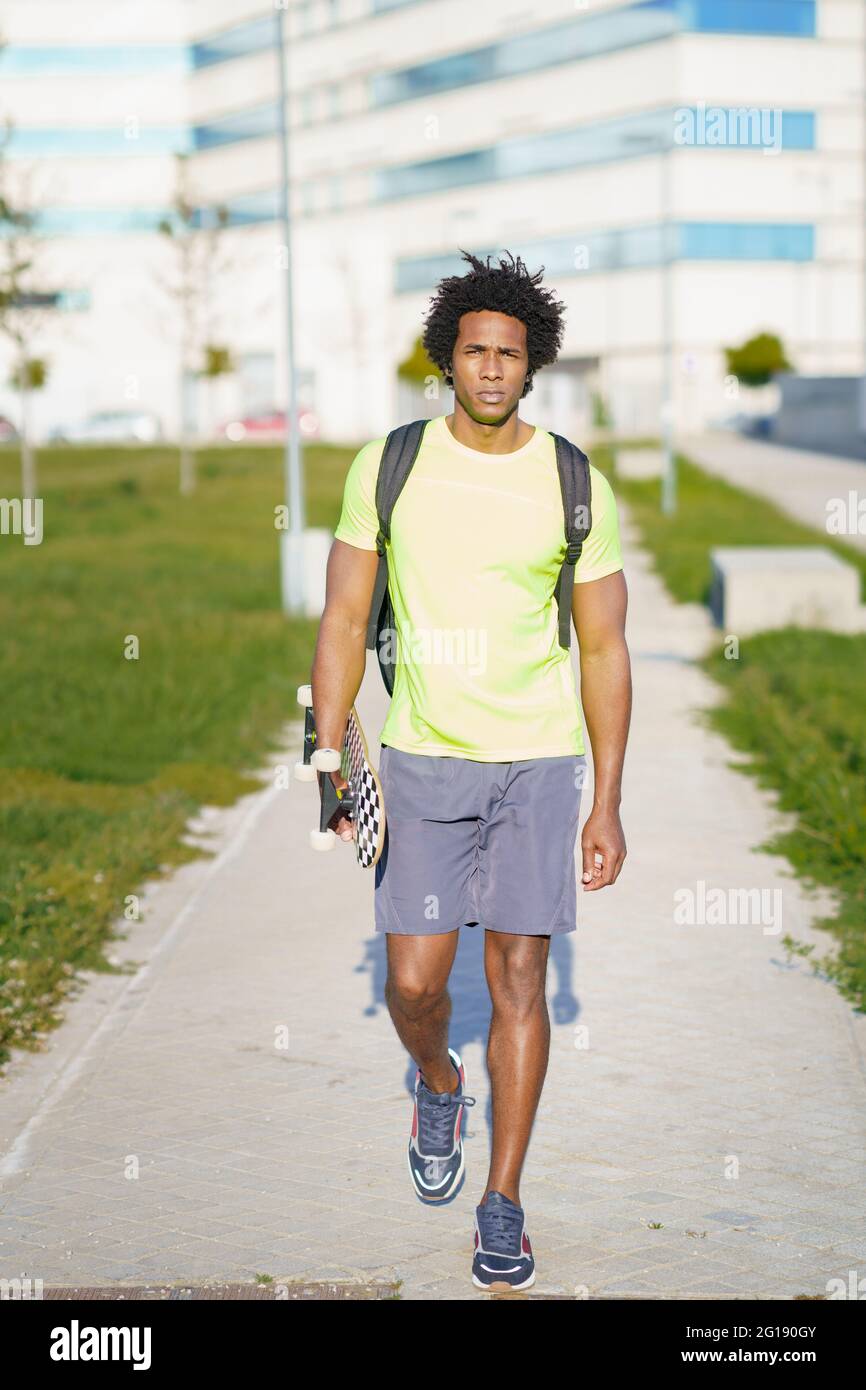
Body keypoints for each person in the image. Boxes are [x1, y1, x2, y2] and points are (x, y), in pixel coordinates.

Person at [311, 249, 631, 1292]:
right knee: (413, 981)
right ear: (444, 361)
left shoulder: (573, 479)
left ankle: (503, 1201)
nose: (490, 370)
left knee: (518, 980)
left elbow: (602, 649)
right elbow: (346, 616)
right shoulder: (388, 464)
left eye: (508, 353)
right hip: (423, 759)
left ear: (531, 363)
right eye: (472, 352)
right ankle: (438, 1080)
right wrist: (326, 746)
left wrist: (608, 801)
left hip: (536, 765)